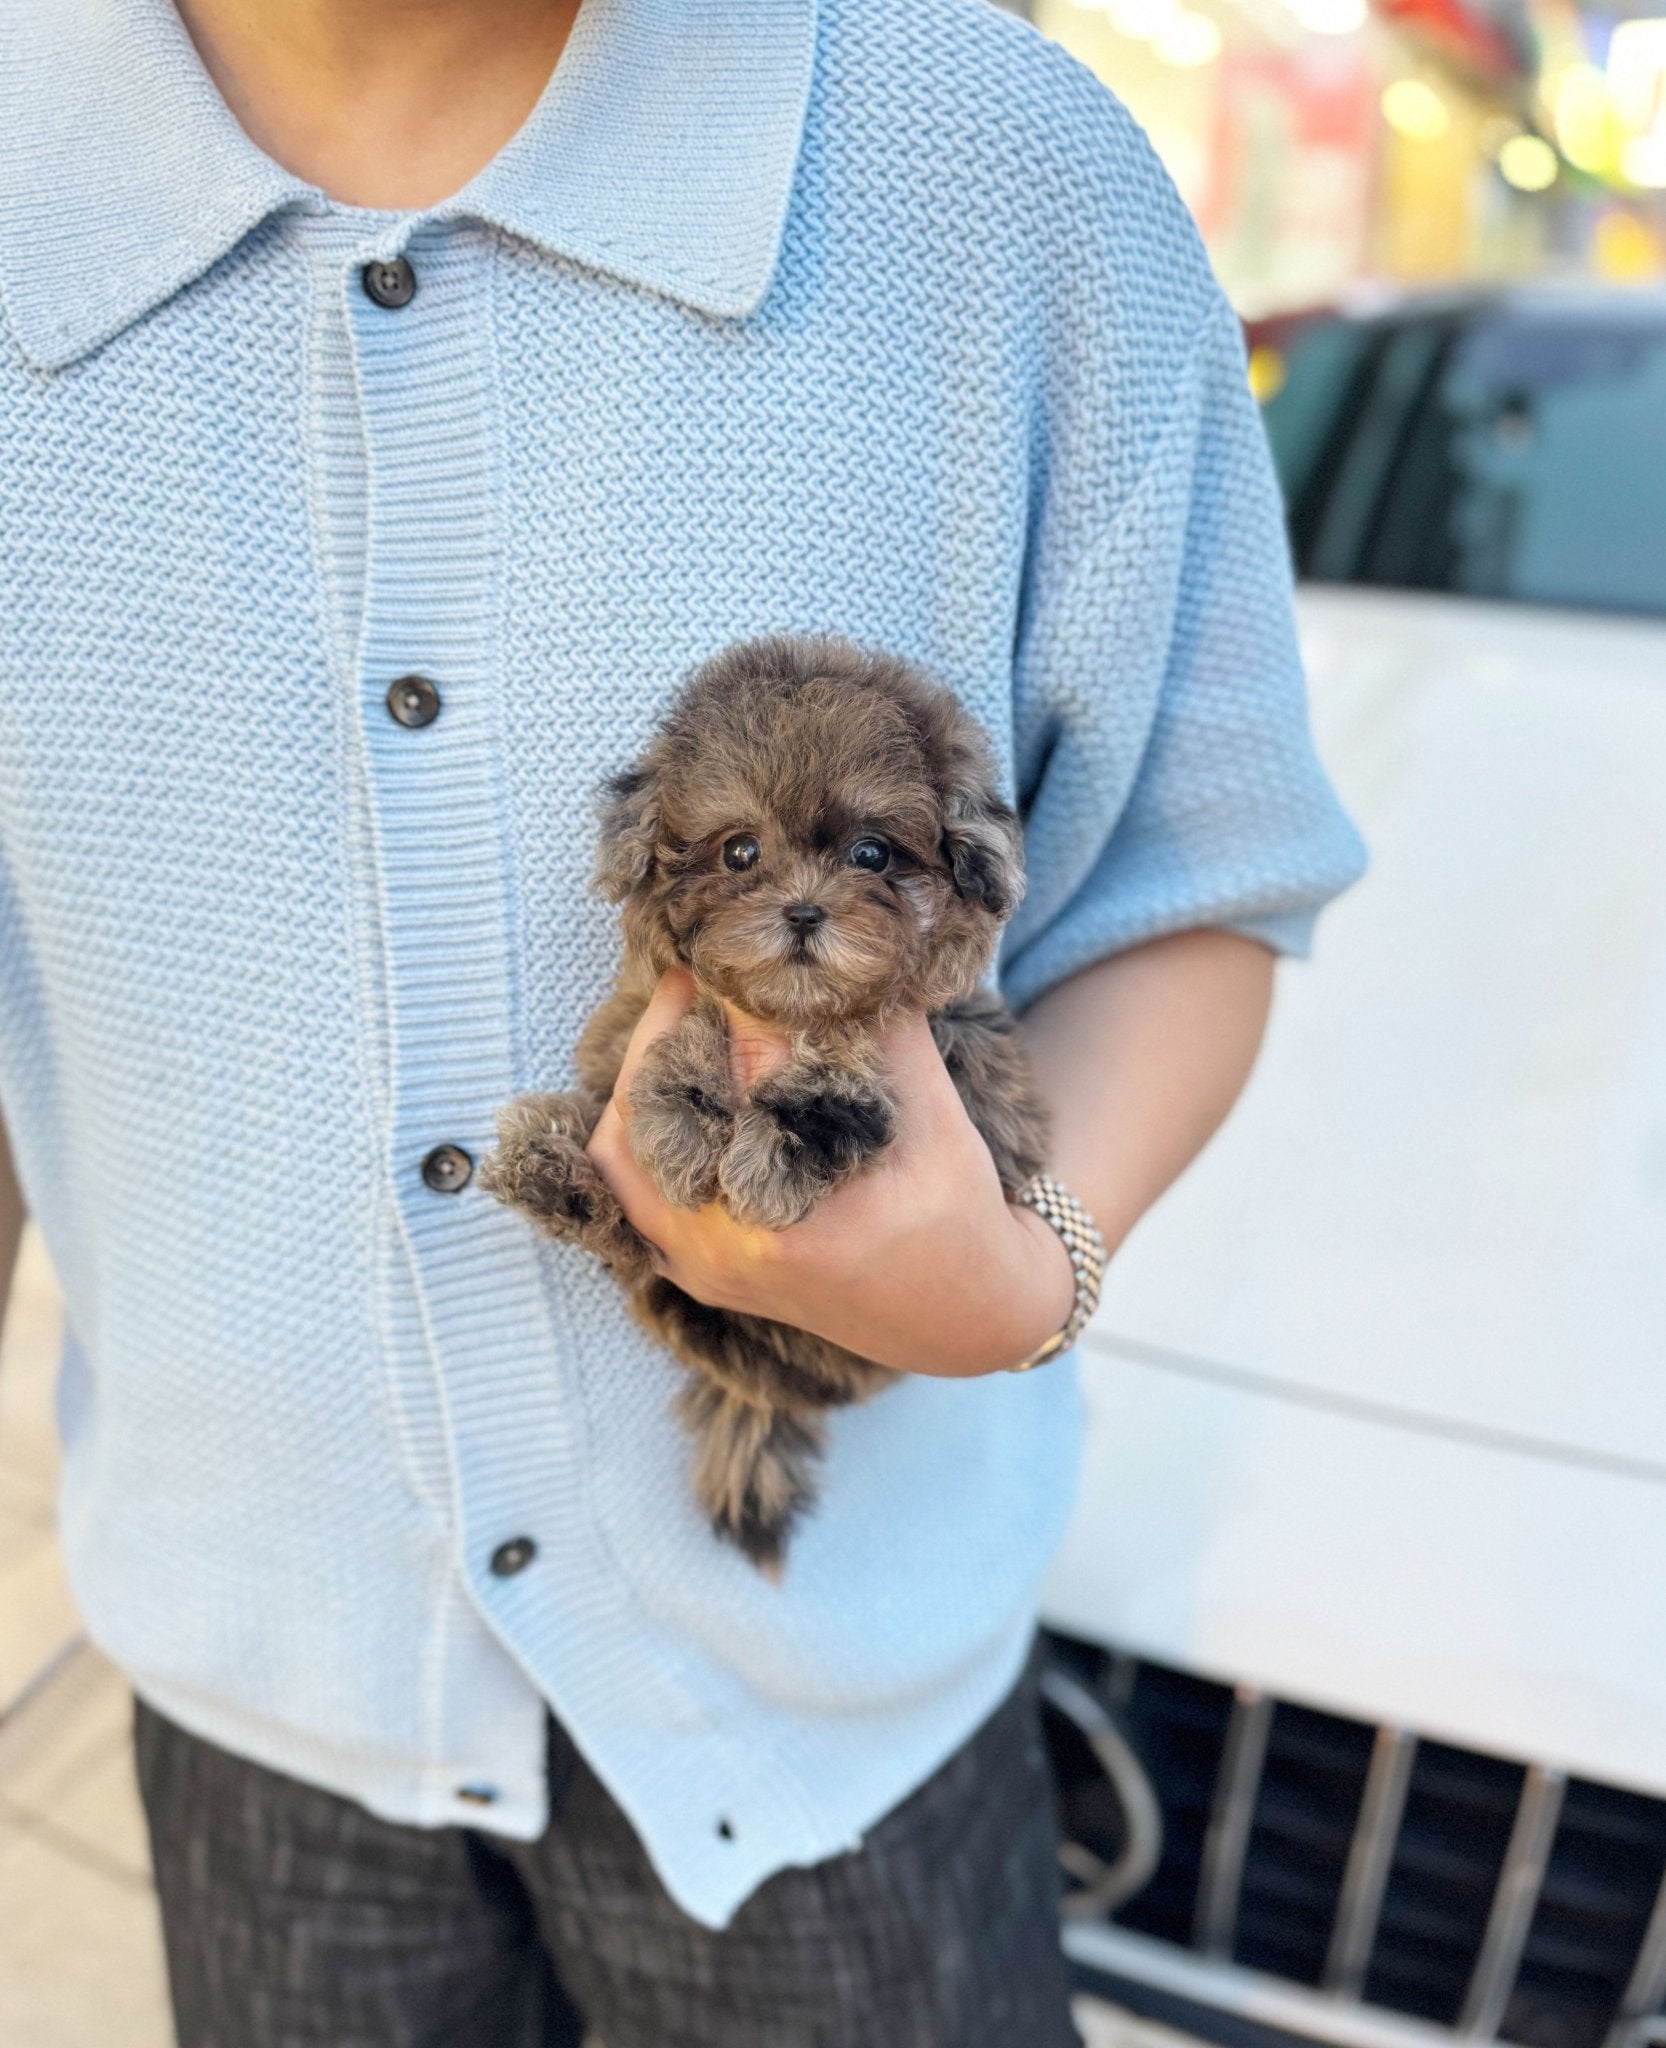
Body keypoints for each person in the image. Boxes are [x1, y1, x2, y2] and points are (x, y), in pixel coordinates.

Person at [0, 0, 1366, 2042]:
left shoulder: (997, 168)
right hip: (254, 1685)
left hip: (840, 1731)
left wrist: (1028, 1266)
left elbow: (1199, 871)